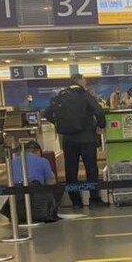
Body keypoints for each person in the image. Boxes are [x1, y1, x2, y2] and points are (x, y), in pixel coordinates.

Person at [44, 74, 107, 208]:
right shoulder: (85, 95)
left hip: (68, 139)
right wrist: (100, 126)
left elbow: (47, 113)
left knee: (71, 170)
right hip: (87, 137)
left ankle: (76, 201)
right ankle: (94, 199)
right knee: (91, 169)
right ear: (80, 82)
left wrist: (58, 124)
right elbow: (99, 111)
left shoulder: (61, 96)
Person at [0, 141, 59, 223]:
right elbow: (51, 183)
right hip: (37, 199)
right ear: (38, 151)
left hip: (16, 199)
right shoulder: (43, 161)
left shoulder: (13, 161)